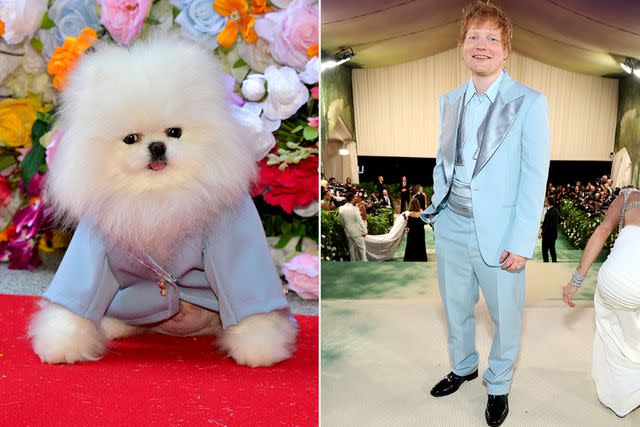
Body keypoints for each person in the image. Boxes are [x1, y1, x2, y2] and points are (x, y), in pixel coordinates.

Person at [420, 3, 550, 426]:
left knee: (505, 315)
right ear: (461, 45)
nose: (482, 45)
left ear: (506, 50)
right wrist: (438, 212)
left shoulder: (529, 103)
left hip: (500, 232)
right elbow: (444, 161)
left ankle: (497, 384)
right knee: (455, 306)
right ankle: (463, 366)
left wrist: (521, 240)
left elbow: (534, 177)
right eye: (474, 36)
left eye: (492, 38)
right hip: (452, 224)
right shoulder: (449, 101)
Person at [563, 187, 640, 417]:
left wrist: (575, 282)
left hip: (613, 282)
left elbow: (602, 231)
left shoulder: (628, 196)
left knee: (611, 332)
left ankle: (618, 397)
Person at [338, 192, 368, 261]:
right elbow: (360, 221)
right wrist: (364, 230)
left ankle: (353, 262)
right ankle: (365, 263)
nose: (355, 199)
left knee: (351, 247)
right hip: (356, 231)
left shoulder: (341, 209)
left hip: (347, 231)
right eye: (354, 197)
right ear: (352, 199)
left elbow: (341, 221)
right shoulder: (355, 209)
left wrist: (344, 227)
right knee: (362, 248)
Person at [540, 196, 559, 262]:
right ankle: (554, 263)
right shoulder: (556, 211)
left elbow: (548, 225)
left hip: (548, 235)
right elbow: (553, 223)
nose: (545, 202)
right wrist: (543, 225)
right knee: (552, 250)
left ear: (548, 202)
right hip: (554, 234)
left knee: (544, 250)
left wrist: (542, 234)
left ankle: (546, 265)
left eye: (546, 201)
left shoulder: (549, 213)